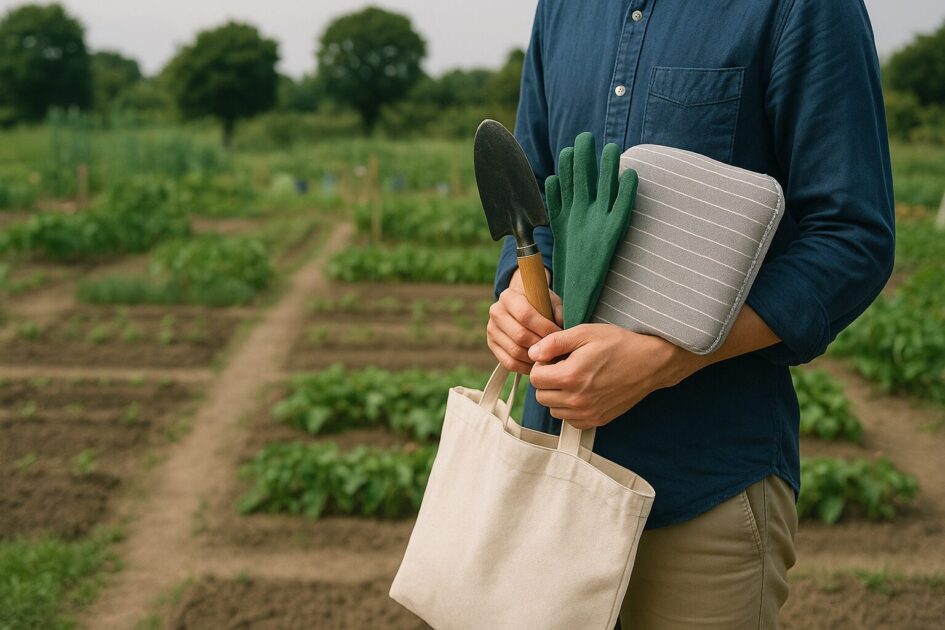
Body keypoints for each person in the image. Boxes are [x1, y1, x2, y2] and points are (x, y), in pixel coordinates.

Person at [487, 1, 895, 628]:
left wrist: (666, 357)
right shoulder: (563, 8)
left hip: (705, 484)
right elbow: (537, 199)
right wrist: (518, 293)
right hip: (550, 472)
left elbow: (850, 236)